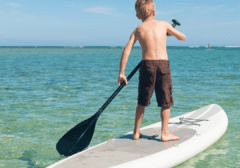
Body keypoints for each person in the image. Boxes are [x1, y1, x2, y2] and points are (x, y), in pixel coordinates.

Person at [118, 0, 186, 142]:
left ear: (138, 15)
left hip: (146, 66)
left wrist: (122, 73)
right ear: (154, 11)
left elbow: (127, 50)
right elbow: (182, 37)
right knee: (165, 101)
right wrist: (169, 33)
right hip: (163, 66)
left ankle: (136, 132)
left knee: (142, 101)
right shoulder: (164, 24)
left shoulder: (138, 30)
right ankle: (165, 133)